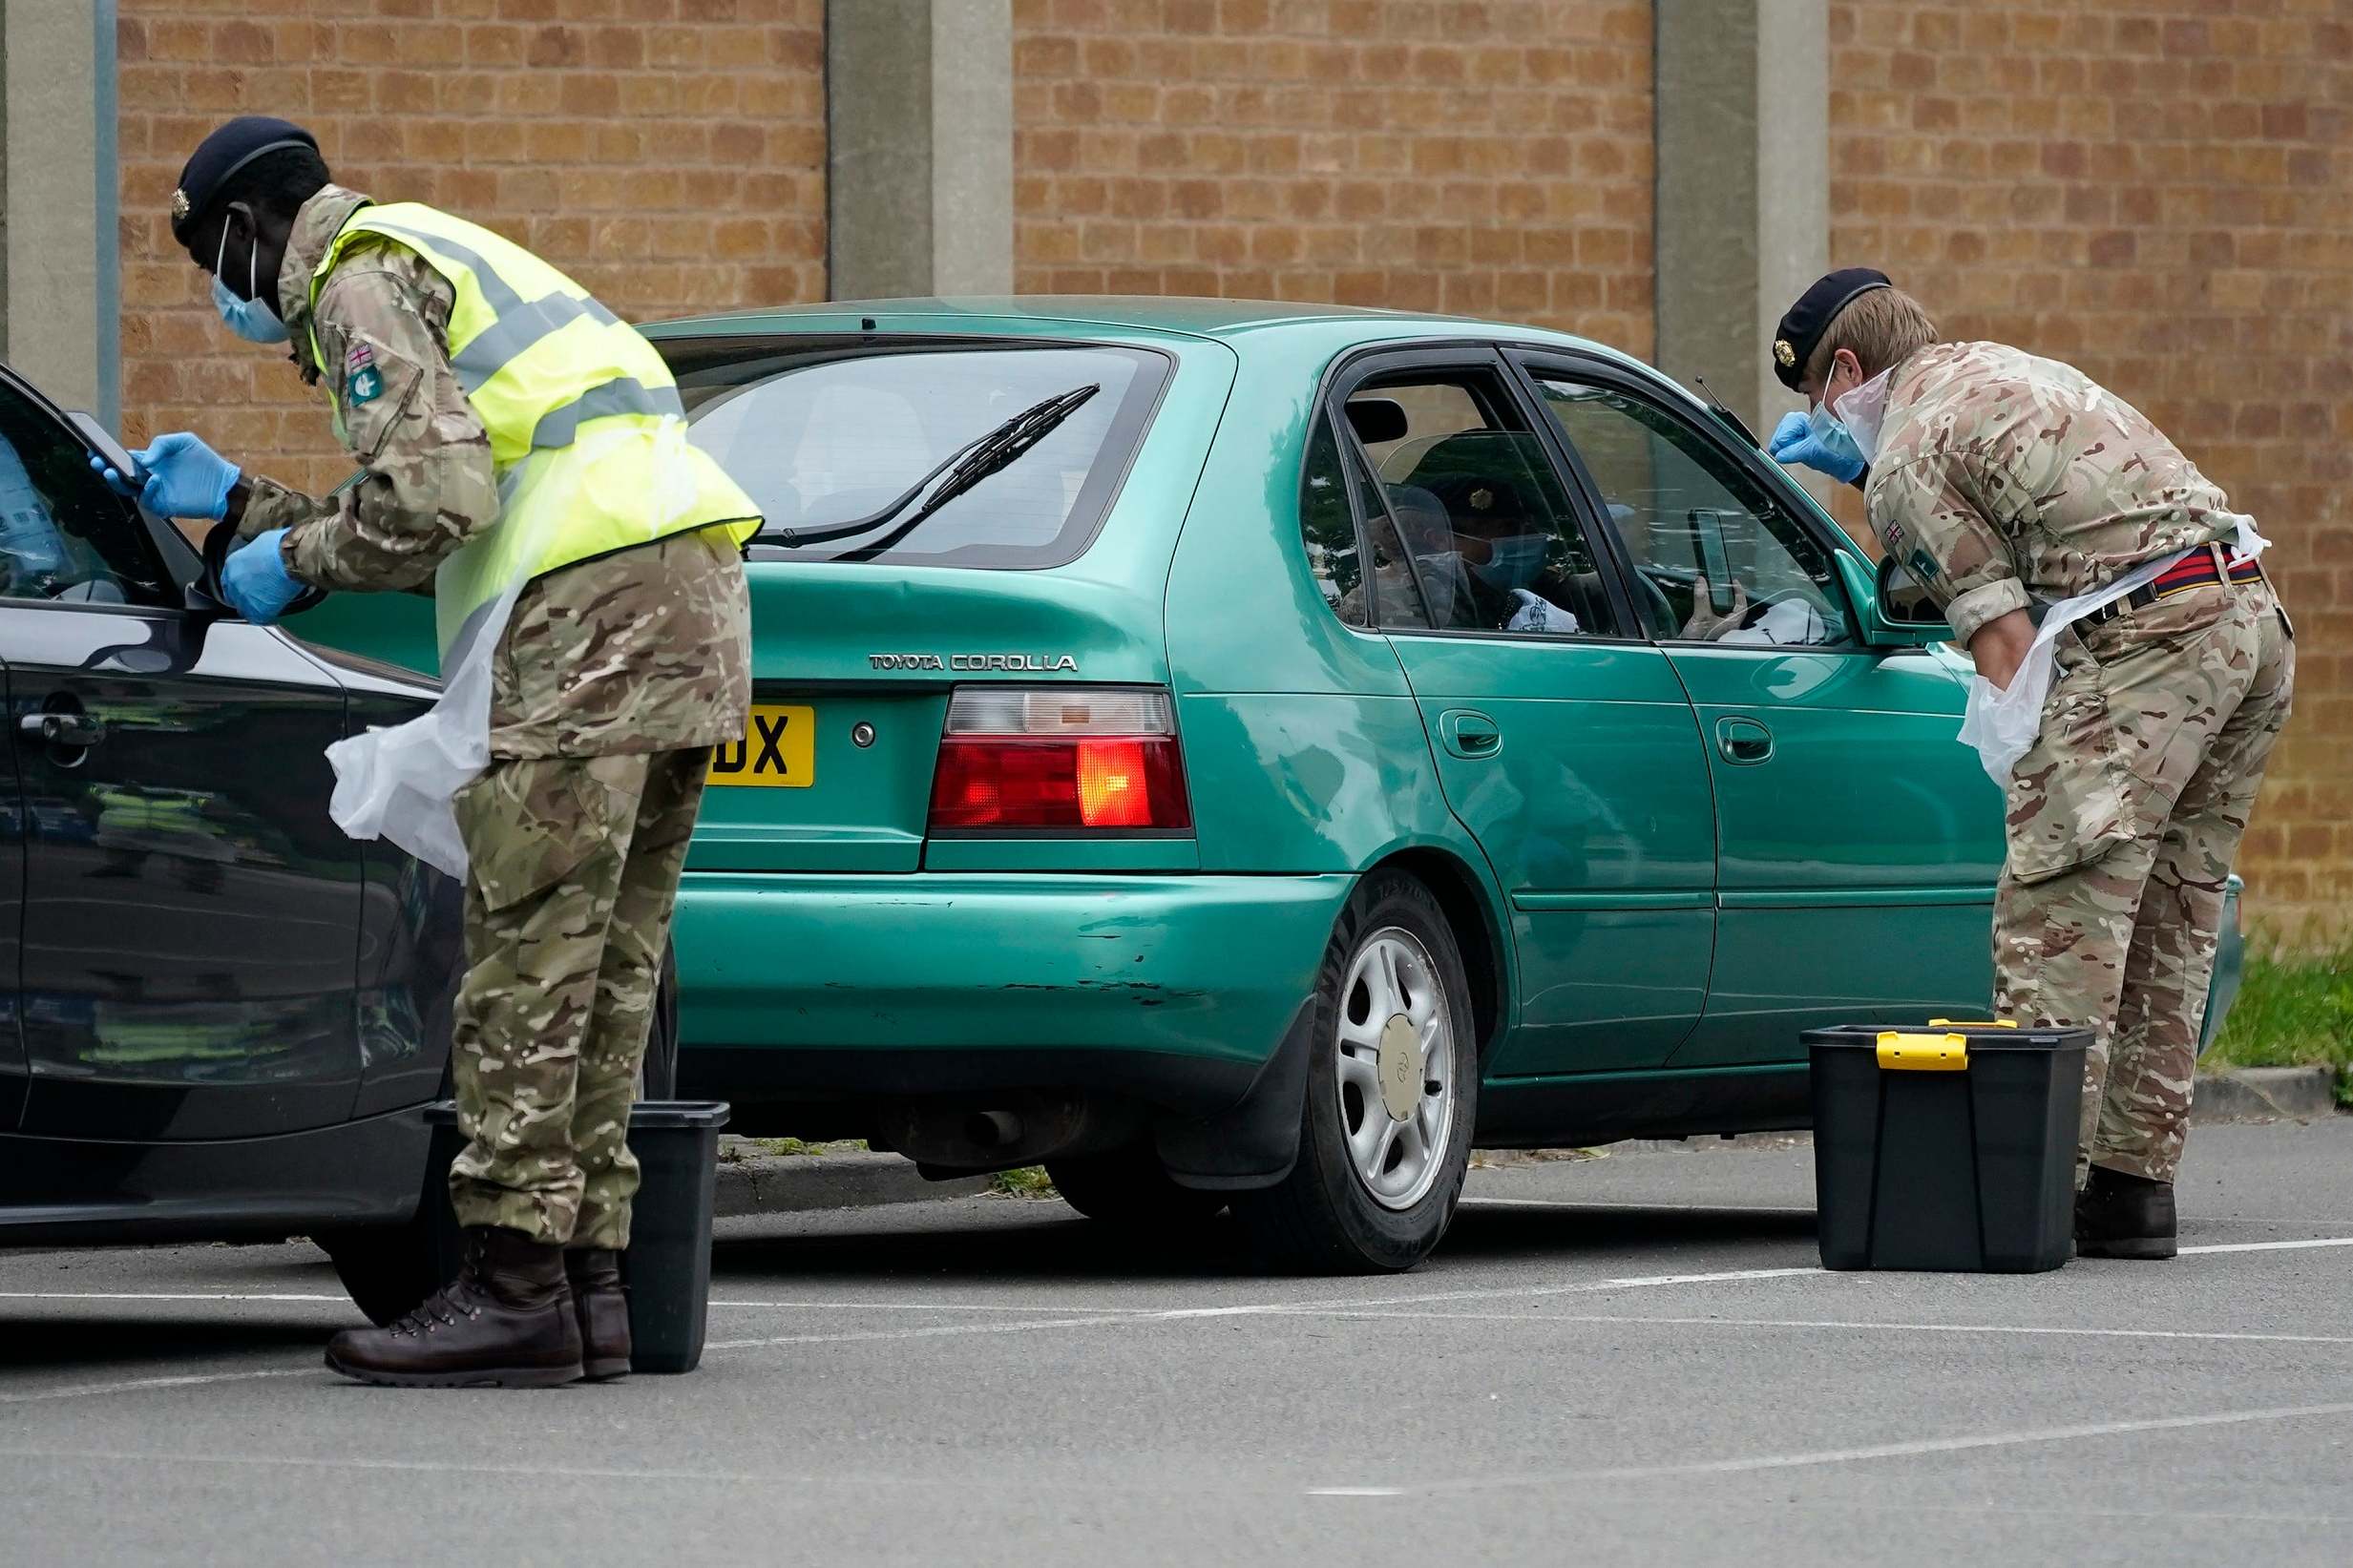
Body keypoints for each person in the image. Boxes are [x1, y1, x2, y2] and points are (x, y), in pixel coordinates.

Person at [128, 117, 762, 1382]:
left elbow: (436, 498)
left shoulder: (354, 277)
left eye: (213, 266)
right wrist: (249, 503)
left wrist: (292, 563)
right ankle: (589, 1285)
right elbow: (491, 470)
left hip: (584, 616)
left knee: (527, 962)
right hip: (689, 600)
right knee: (607, 969)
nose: (222, 302)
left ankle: (514, 1285)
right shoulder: (445, 248)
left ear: (250, 231)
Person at [1766, 268, 2294, 1259]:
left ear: (1844, 369)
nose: (1823, 420)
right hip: (2246, 618)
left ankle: (2025, 1193)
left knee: (2055, 913)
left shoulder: (1905, 458)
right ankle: (2129, 1193)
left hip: (2150, 640)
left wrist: (2041, 793)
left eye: (1818, 400)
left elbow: (2003, 643)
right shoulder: (1996, 367)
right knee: (2169, 918)